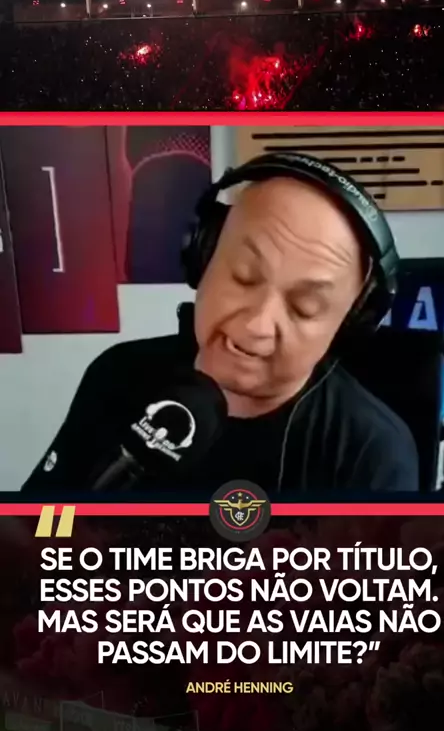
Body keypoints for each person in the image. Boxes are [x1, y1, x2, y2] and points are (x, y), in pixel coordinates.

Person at [22, 153, 419, 494]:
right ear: (204, 255)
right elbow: (43, 517)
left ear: (346, 324)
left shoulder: (373, 454)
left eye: (304, 307)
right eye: (244, 276)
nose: (258, 324)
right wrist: (54, 538)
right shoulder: (118, 375)